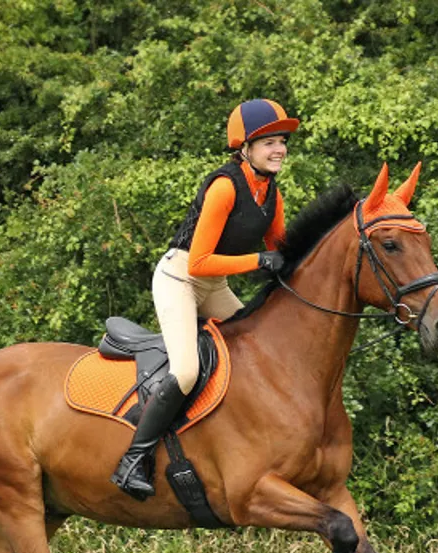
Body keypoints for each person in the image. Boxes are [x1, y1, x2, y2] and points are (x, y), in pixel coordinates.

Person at [111, 98, 299, 499]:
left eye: (282, 141)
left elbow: (280, 252)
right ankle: (133, 460)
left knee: (257, 353)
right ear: (244, 148)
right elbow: (199, 261)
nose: (279, 149)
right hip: (180, 278)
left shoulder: (272, 194)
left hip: (214, 287)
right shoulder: (224, 186)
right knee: (186, 372)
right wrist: (258, 260)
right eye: (268, 142)